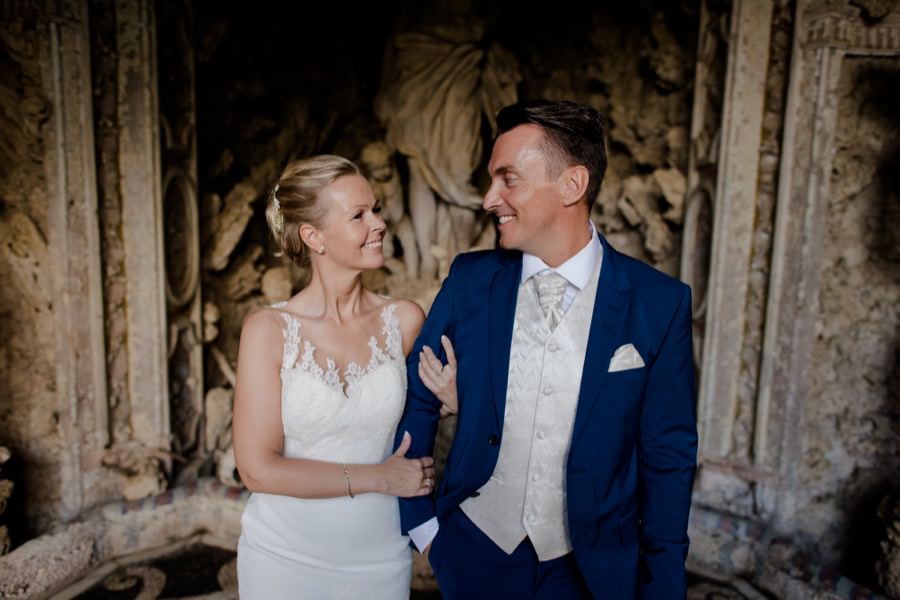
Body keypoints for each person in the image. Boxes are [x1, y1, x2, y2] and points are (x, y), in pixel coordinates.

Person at [398, 100, 698, 598]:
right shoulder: (470, 280)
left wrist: (661, 587)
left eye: (508, 178)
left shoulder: (659, 303)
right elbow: (418, 396)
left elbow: (668, 457)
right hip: (473, 552)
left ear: (572, 185)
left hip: (590, 570)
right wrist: (424, 528)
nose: (489, 198)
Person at [232, 155, 457, 599]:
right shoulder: (267, 331)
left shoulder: (406, 320)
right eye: (358, 215)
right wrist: (380, 478)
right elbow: (258, 469)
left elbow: (437, 415)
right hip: (283, 558)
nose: (379, 224)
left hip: (379, 558)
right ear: (313, 236)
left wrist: (455, 397)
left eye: (376, 210)